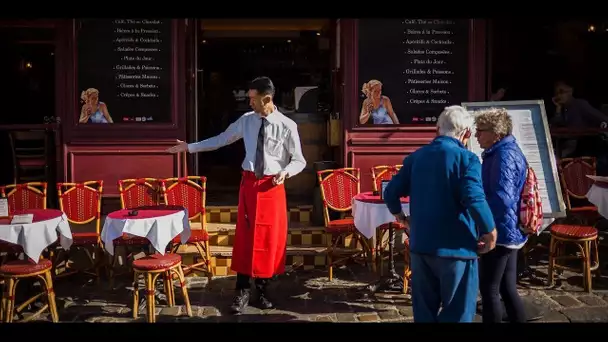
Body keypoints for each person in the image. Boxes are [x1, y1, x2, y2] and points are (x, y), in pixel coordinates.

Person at [166, 76, 306, 313]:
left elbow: (299, 160)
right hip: (250, 184)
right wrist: (189, 147)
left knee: (269, 239)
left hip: (272, 187)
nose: (249, 102)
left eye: (253, 99)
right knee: (246, 238)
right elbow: (221, 140)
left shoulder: (287, 126)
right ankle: (241, 291)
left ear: (267, 99)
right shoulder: (247, 121)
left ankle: (262, 290)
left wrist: (286, 172)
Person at [383, 105, 497, 323]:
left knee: (424, 313)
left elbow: (391, 192)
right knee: (458, 313)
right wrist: (489, 230)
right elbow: (474, 198)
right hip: (457, 249)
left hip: (422, 246)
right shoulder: (467, 159)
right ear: (466, 134)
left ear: (437, 129)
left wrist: (401, 218)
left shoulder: (416, 157)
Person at [474, 108, 528, 323]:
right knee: (506, 288)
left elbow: (502, 200)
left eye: (481, 131)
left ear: (496, 133)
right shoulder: (507, 150)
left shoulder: (502, 156)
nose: (477, 135)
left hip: (500, 232)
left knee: (490, 290)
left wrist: (489, 230)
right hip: (509, 229)